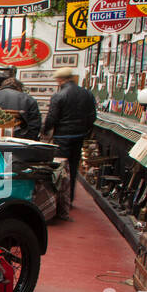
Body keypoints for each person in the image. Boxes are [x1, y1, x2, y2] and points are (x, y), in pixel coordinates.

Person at [41, 66, 97, 217]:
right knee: (73, 168)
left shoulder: (59, 96)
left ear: (60, 79)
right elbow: (92, 115)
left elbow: (52, 117)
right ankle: (70, 199)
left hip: (62, 137)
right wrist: (86, 131)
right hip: (79, 136)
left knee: (60, 170)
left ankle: (60, 202)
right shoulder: (87, 94)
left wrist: (45, 131)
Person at [0, 76, 42, 140]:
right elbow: (34, 126)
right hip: (19, 140)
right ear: (19, 88)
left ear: (1, 87)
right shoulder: (29, 100)